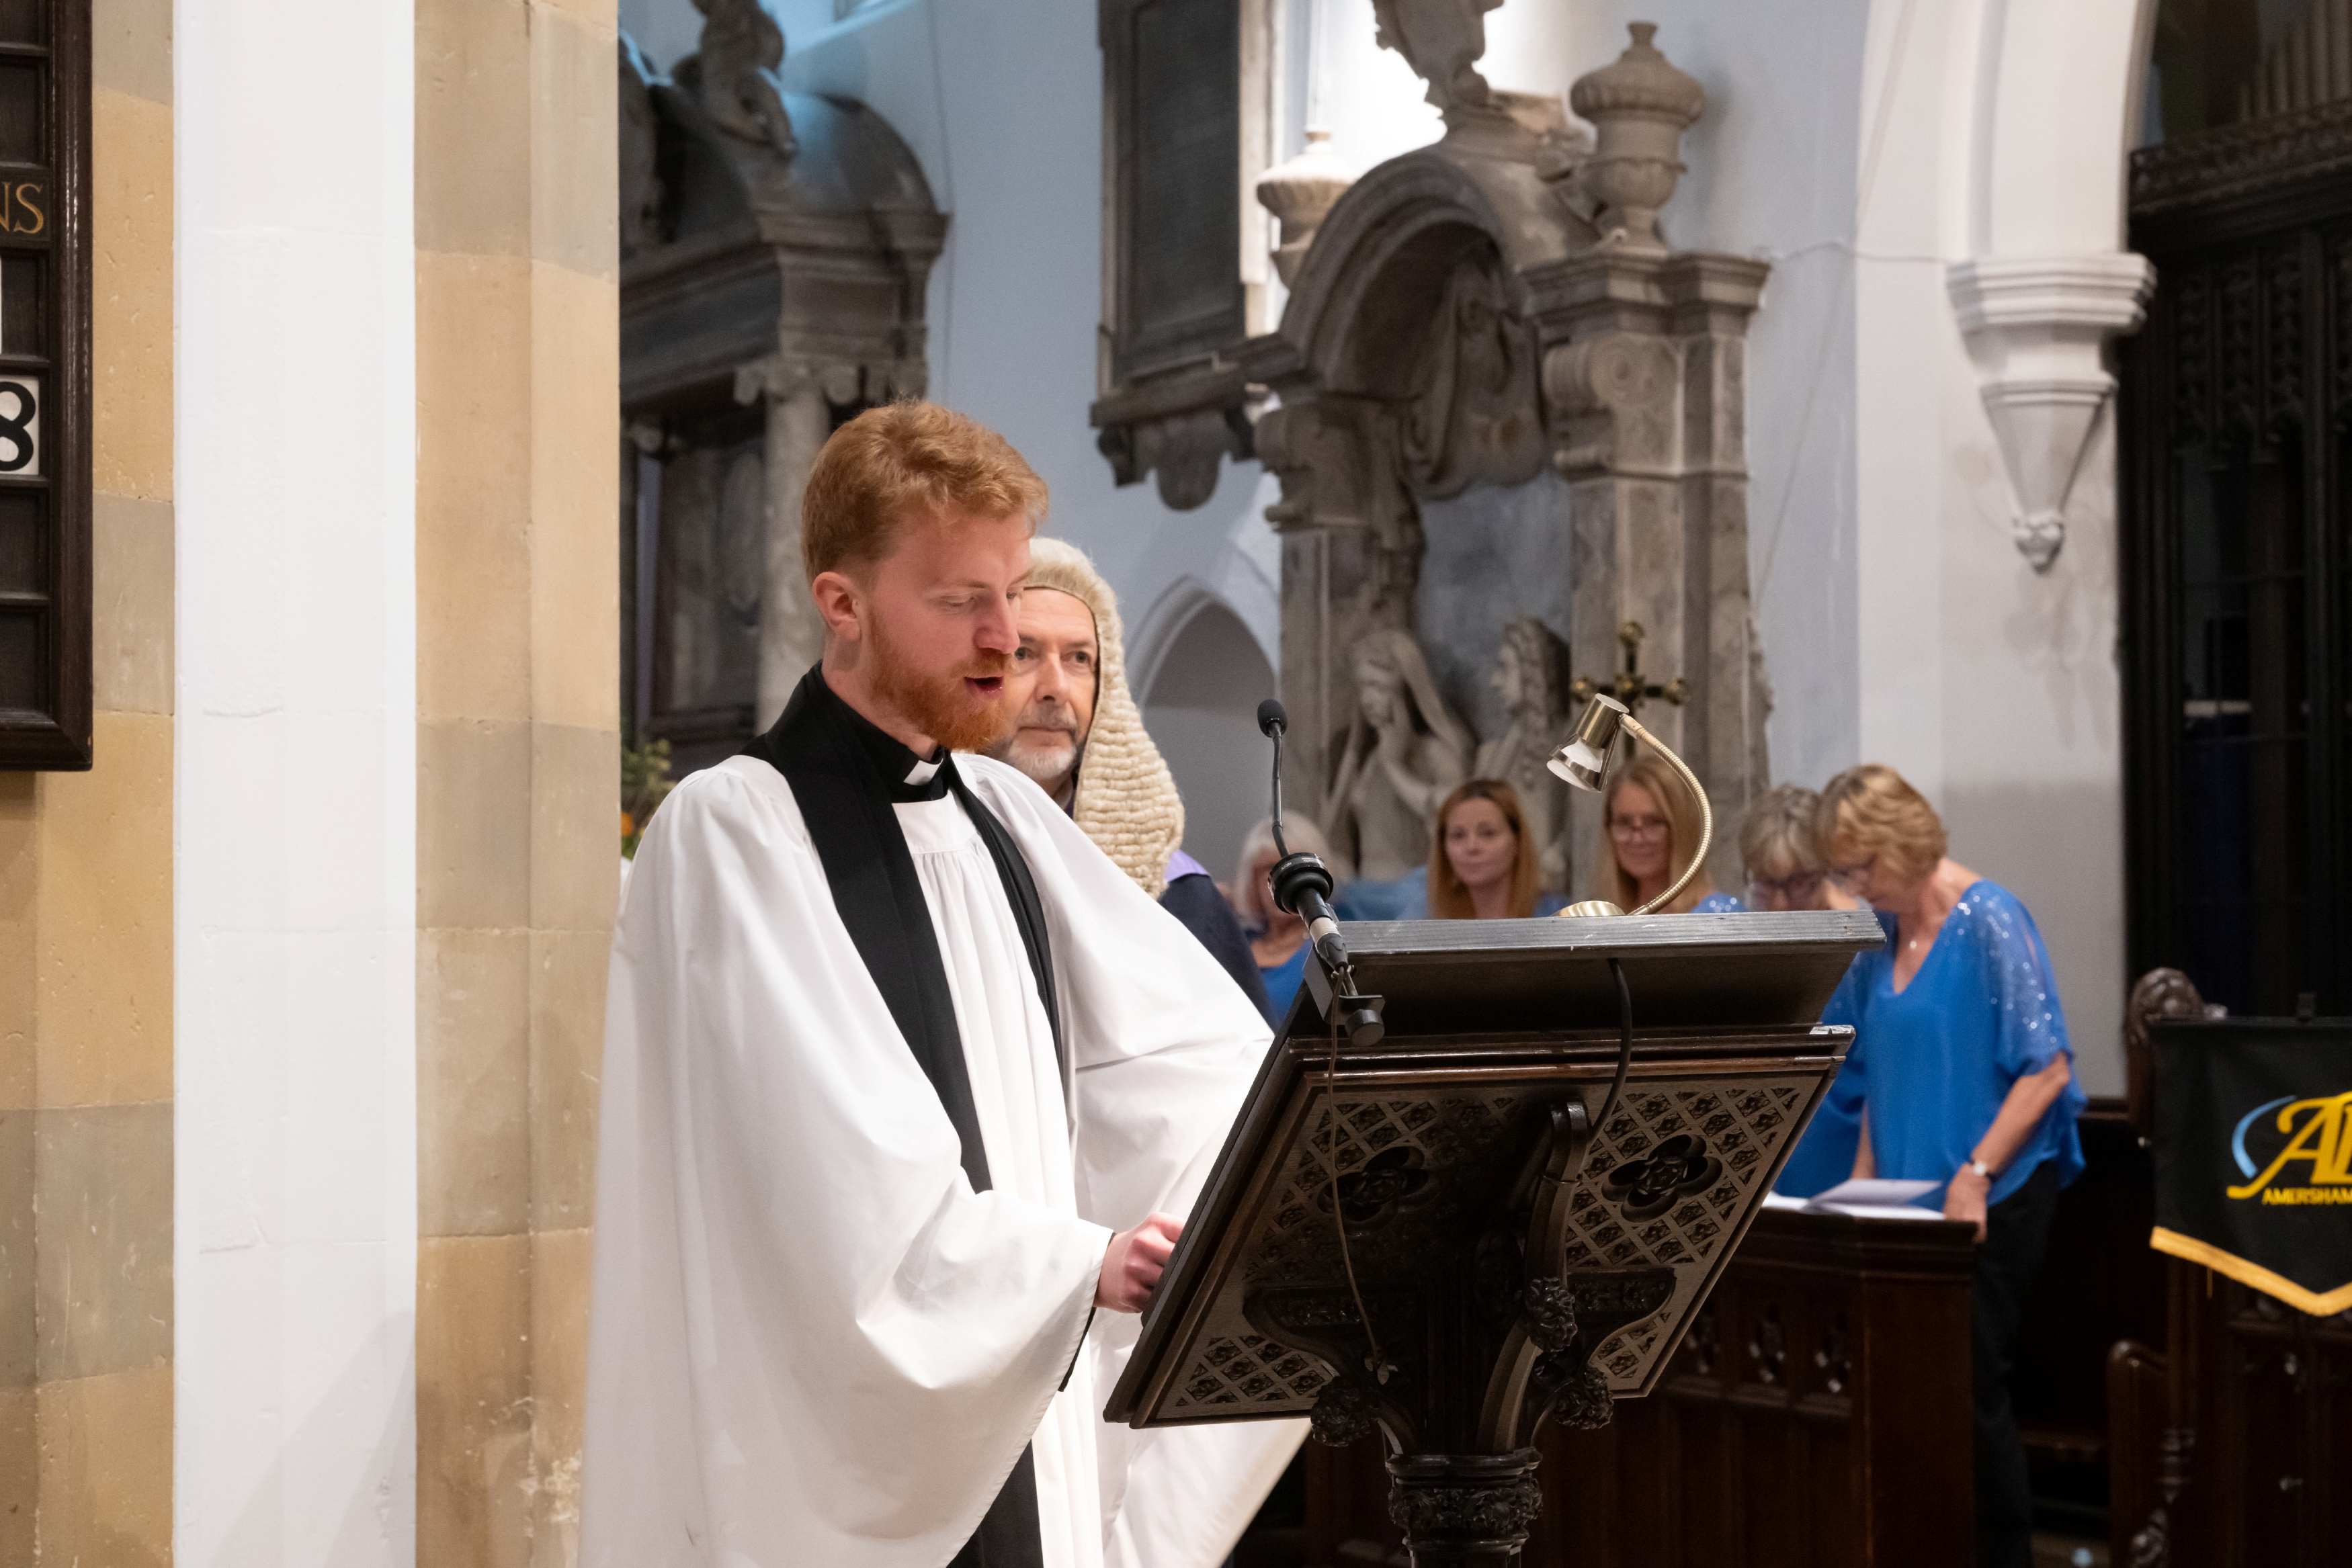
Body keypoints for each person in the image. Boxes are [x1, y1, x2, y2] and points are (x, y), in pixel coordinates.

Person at [583, 401, 1300, 1568]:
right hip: (839, 1454)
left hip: (1025, 1389)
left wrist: (1285, 1160)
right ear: (844, 604)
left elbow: (1194, 1059)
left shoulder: (1000, 814)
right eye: (962, 600)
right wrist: (1078, 1264)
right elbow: (828, 1166)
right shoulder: (737, 829)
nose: (1004, 637)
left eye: (1012, 593)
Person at [1814, 764, 2086, 1568]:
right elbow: (1875, 1083)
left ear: (1898, 848)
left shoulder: (1990, 919)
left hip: (1990, 1196)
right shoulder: (1879, 940)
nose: (1851, 885)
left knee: (1965, 1393)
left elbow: (2047, 1068)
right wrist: (1861, 1196)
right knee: (1900, 1399)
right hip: (1905, 1207)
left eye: (1858, 868)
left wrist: (1973, 1174)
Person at [991, 536, 1273, 1022]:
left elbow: (1249, 1078)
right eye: (1023, 653)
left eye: (1080, 658)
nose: (1056, 688)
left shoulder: (1178, 892)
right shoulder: (918, 851)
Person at [1742, 783, 1875, 1196]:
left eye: (1798, 882)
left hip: (1846, 1154)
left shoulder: (1864, 943)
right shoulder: (1749, 935)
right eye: (1766, 884)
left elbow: (1882, 1074)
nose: (1780, 903)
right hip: (1766, 1153)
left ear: (1827, 868)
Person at [1324, 628, 1472, 913]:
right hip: (1364, 895)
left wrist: (1394, 765)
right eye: (1363, 687)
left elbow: (1453, 817)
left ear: (1405, 690)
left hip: (1415, 899)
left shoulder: (1436, 752)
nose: (1368, 699)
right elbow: (1333, 833)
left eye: (1378, 687)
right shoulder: (1366, 759)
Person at [1596, 750, 1742, 914]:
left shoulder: (1721, 916)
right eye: (1624, 823)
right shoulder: (1607, 917)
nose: (1637, 839)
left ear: (1681, 827)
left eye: (1653, 822)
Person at [1233, 814, 1343, 1021]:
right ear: (1251, 879)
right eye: (1268, 869)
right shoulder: (1235, 946)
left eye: (1291, 871)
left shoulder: (1330, 950)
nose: (1282, 883)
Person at [1426, 779, 1566, 919]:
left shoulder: (1560, 917)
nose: (1471, 847)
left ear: (1517, 842)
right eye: (1458, 835)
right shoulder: (1426, 917)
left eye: (1488, 833)